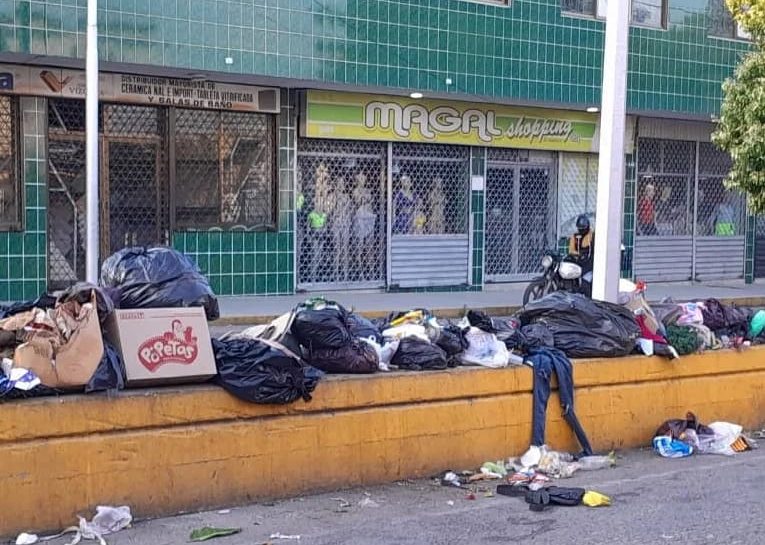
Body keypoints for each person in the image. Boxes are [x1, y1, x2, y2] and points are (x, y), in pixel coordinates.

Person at [568, 214, 594, 294]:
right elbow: (571, 250)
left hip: (589, 264)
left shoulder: (593, 235)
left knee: (585, 282)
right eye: (580, 229)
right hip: (577, 262)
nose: (581, 231)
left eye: (583, 228)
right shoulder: (575, 236)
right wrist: (578, 254)